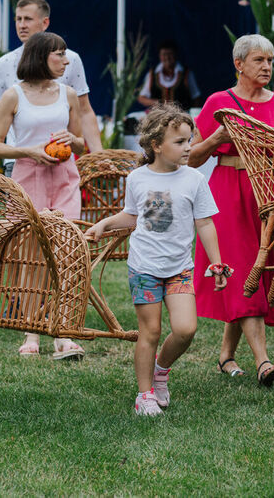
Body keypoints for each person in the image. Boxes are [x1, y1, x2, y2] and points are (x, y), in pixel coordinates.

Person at [85, 104, 228, 416]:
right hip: (145, 268)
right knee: (150, 332)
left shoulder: (194, 180)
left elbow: (204, 223)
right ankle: (145, 394)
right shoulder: (137, 178)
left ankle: (161, 370)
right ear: (156, 146)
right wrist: (104, 224)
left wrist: (216, 263)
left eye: (190, 140)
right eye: (180, 142)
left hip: (179, 268)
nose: (189, 146)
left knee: (186, 329)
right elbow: (132, 216)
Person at [189, 34, 274, 386]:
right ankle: (264, 361)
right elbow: (190, 157)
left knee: (258, 269)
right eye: (259, 60)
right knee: (243, 270)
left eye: (269, 61)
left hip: (267, 194)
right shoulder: (219, 101)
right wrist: (215, 139)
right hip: (227, 192)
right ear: (239, 65)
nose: (267, 67)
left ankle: (225, 356)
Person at [0, 31, 87, 360]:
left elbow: (80, 143)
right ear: (41, 56)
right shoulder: (13, 96)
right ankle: (32, 330)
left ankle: (61, 333)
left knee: (66, 252)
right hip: (28, 177)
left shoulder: (68, 94)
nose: (66, 60)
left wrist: (70, 138)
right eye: (59, 54)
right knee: (32, 255)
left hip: (64, 177)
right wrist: (28, 150)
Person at [0, 0, 103, 157]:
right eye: (18, 19)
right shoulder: (5, 62)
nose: (22, 25)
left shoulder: (69, 59)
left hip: (60, 158)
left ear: (45, 22)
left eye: (28, 19)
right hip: (18, 159)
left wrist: (99, 156)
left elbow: (85, 111)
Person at [137, 40, 202, 108]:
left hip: (181, 116)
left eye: (170, 54)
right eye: (164, 54)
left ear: (175, 55)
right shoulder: (152, 74)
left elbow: (196, 97)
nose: (167, 57)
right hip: (158, 116)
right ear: (160, 56)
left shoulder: (186, 74)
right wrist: (157, 103)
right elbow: (142, 98)